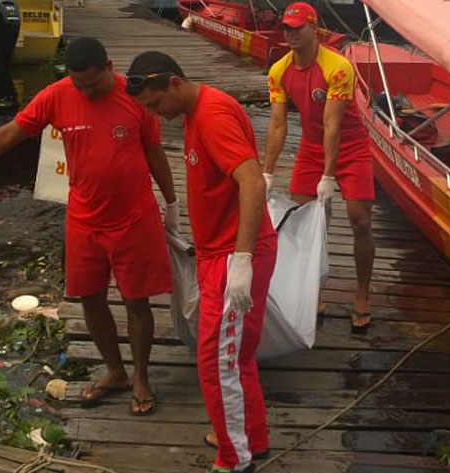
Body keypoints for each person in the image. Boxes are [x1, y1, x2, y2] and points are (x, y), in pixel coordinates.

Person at [0, 37, 178, 416]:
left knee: (136, 301)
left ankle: (141, 377)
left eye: (93, 84)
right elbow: (9, 134)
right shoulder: (57, 96)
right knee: (90, 298)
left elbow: (154, 151)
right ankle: (115, 372)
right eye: (79, 85)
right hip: (84, 217)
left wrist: (172, 202)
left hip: (134, 216)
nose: (86, 92)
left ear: (110, 67)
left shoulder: (135, 95)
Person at [126, 51, 277, 473]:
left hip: (234, 253)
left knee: (216, 361)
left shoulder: (212, 115)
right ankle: (250, 437)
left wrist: (242, 259)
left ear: (174, 82)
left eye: (156, 105)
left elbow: (251, 182)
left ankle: (235, 459)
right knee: (237, 356)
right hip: (218, 251)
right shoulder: (195, 111)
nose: (157, 115)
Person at [264, 2, 376, 333]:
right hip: (311, 147)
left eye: (298, 27)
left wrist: (329, 177)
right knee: (305, 222)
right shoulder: (278, 70)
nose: (291, 34)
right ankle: (312, 291)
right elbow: (277, 124)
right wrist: (267, 172)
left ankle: (362, 294)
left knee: (360, 220)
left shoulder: (337, 67)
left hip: (352, 146)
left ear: (315, 29)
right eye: (287, 27)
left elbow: (333, 126)